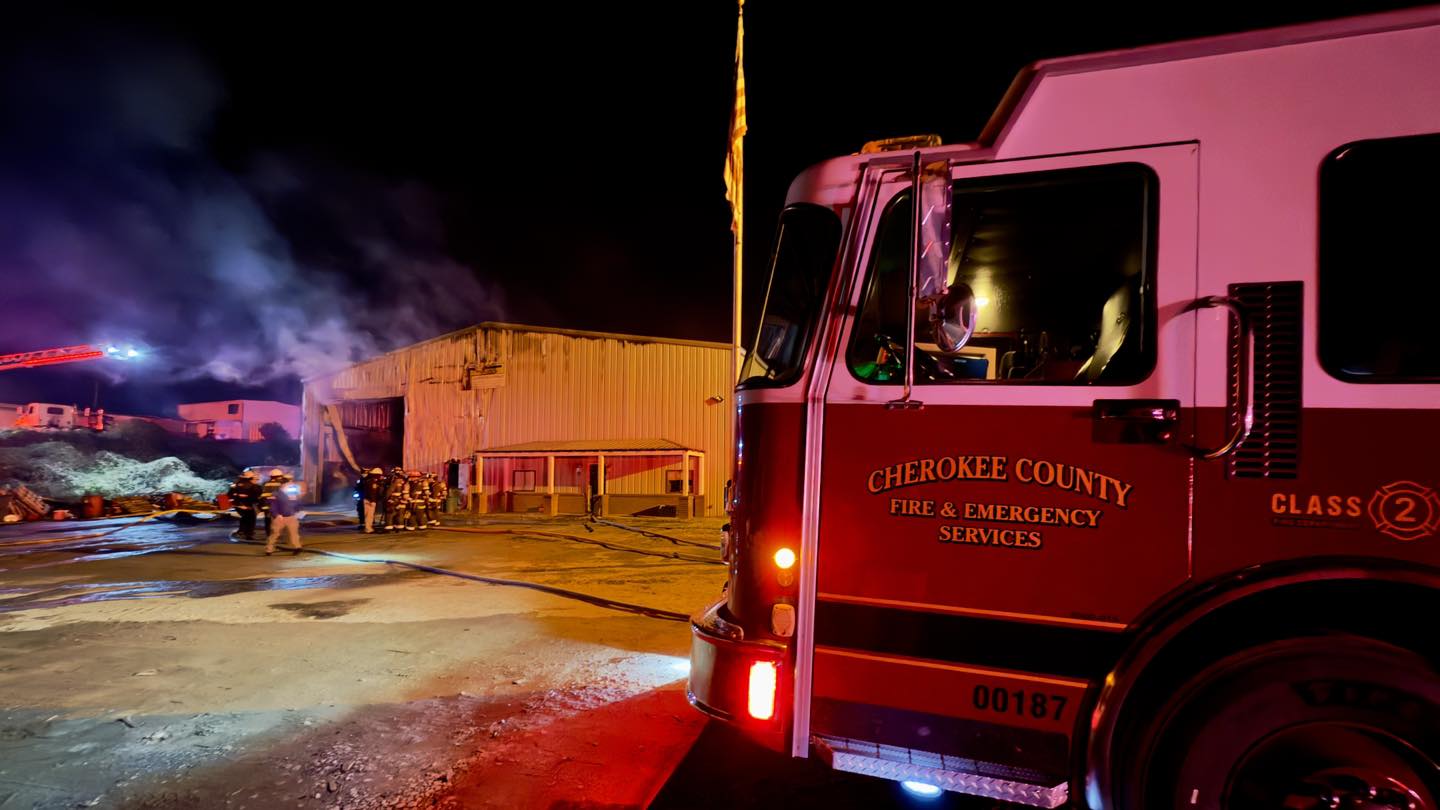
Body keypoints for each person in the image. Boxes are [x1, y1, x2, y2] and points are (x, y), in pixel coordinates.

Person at [264, 473, 303, 555]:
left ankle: (297, 547)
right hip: (279, 518)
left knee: (294, 533)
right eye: (288, 482)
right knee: (275, 534)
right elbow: (272, 505)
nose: (290, 484)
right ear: (283, 484)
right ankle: (269, 549)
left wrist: (298, 511)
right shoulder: (276, 494)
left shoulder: (293, 493)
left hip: (291, 516)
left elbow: (298, 503)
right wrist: (276, 515)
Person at [228, 470, 263, 540]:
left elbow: (229, 494)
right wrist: (259, 504)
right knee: (251, 519)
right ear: (250, 478)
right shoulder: (253, 486)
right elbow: (256, 496)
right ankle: (249, 534)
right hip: (248, 505)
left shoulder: (236, 484)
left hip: (238, 505)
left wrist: (234, 503)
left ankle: (241, 531)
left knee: (244, 517)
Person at [260, 468, 287, 536]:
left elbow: (261, 495)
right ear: (280, 476)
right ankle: (278, 534)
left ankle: (268, 534)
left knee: (267, 519)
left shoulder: (265, 483)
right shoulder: (282, 483)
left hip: (266, 505)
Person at [358, 468, 385, 533]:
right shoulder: (372, 481)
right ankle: (368, 529)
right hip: (370, 500)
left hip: (367, 499)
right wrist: (372, 501)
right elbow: (372, 492)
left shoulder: (368, 480)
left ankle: (368, 528)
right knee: (369, 515)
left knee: (368, 515)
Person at [385, 468, 409, 532]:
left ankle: (390, 527)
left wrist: (387, 499)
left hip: (395, 500)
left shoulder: (394, 482)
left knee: (392, 514)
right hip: (400, 500)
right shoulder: (405, 483)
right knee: (398, 514)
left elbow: (389, 491)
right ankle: (398, 527)